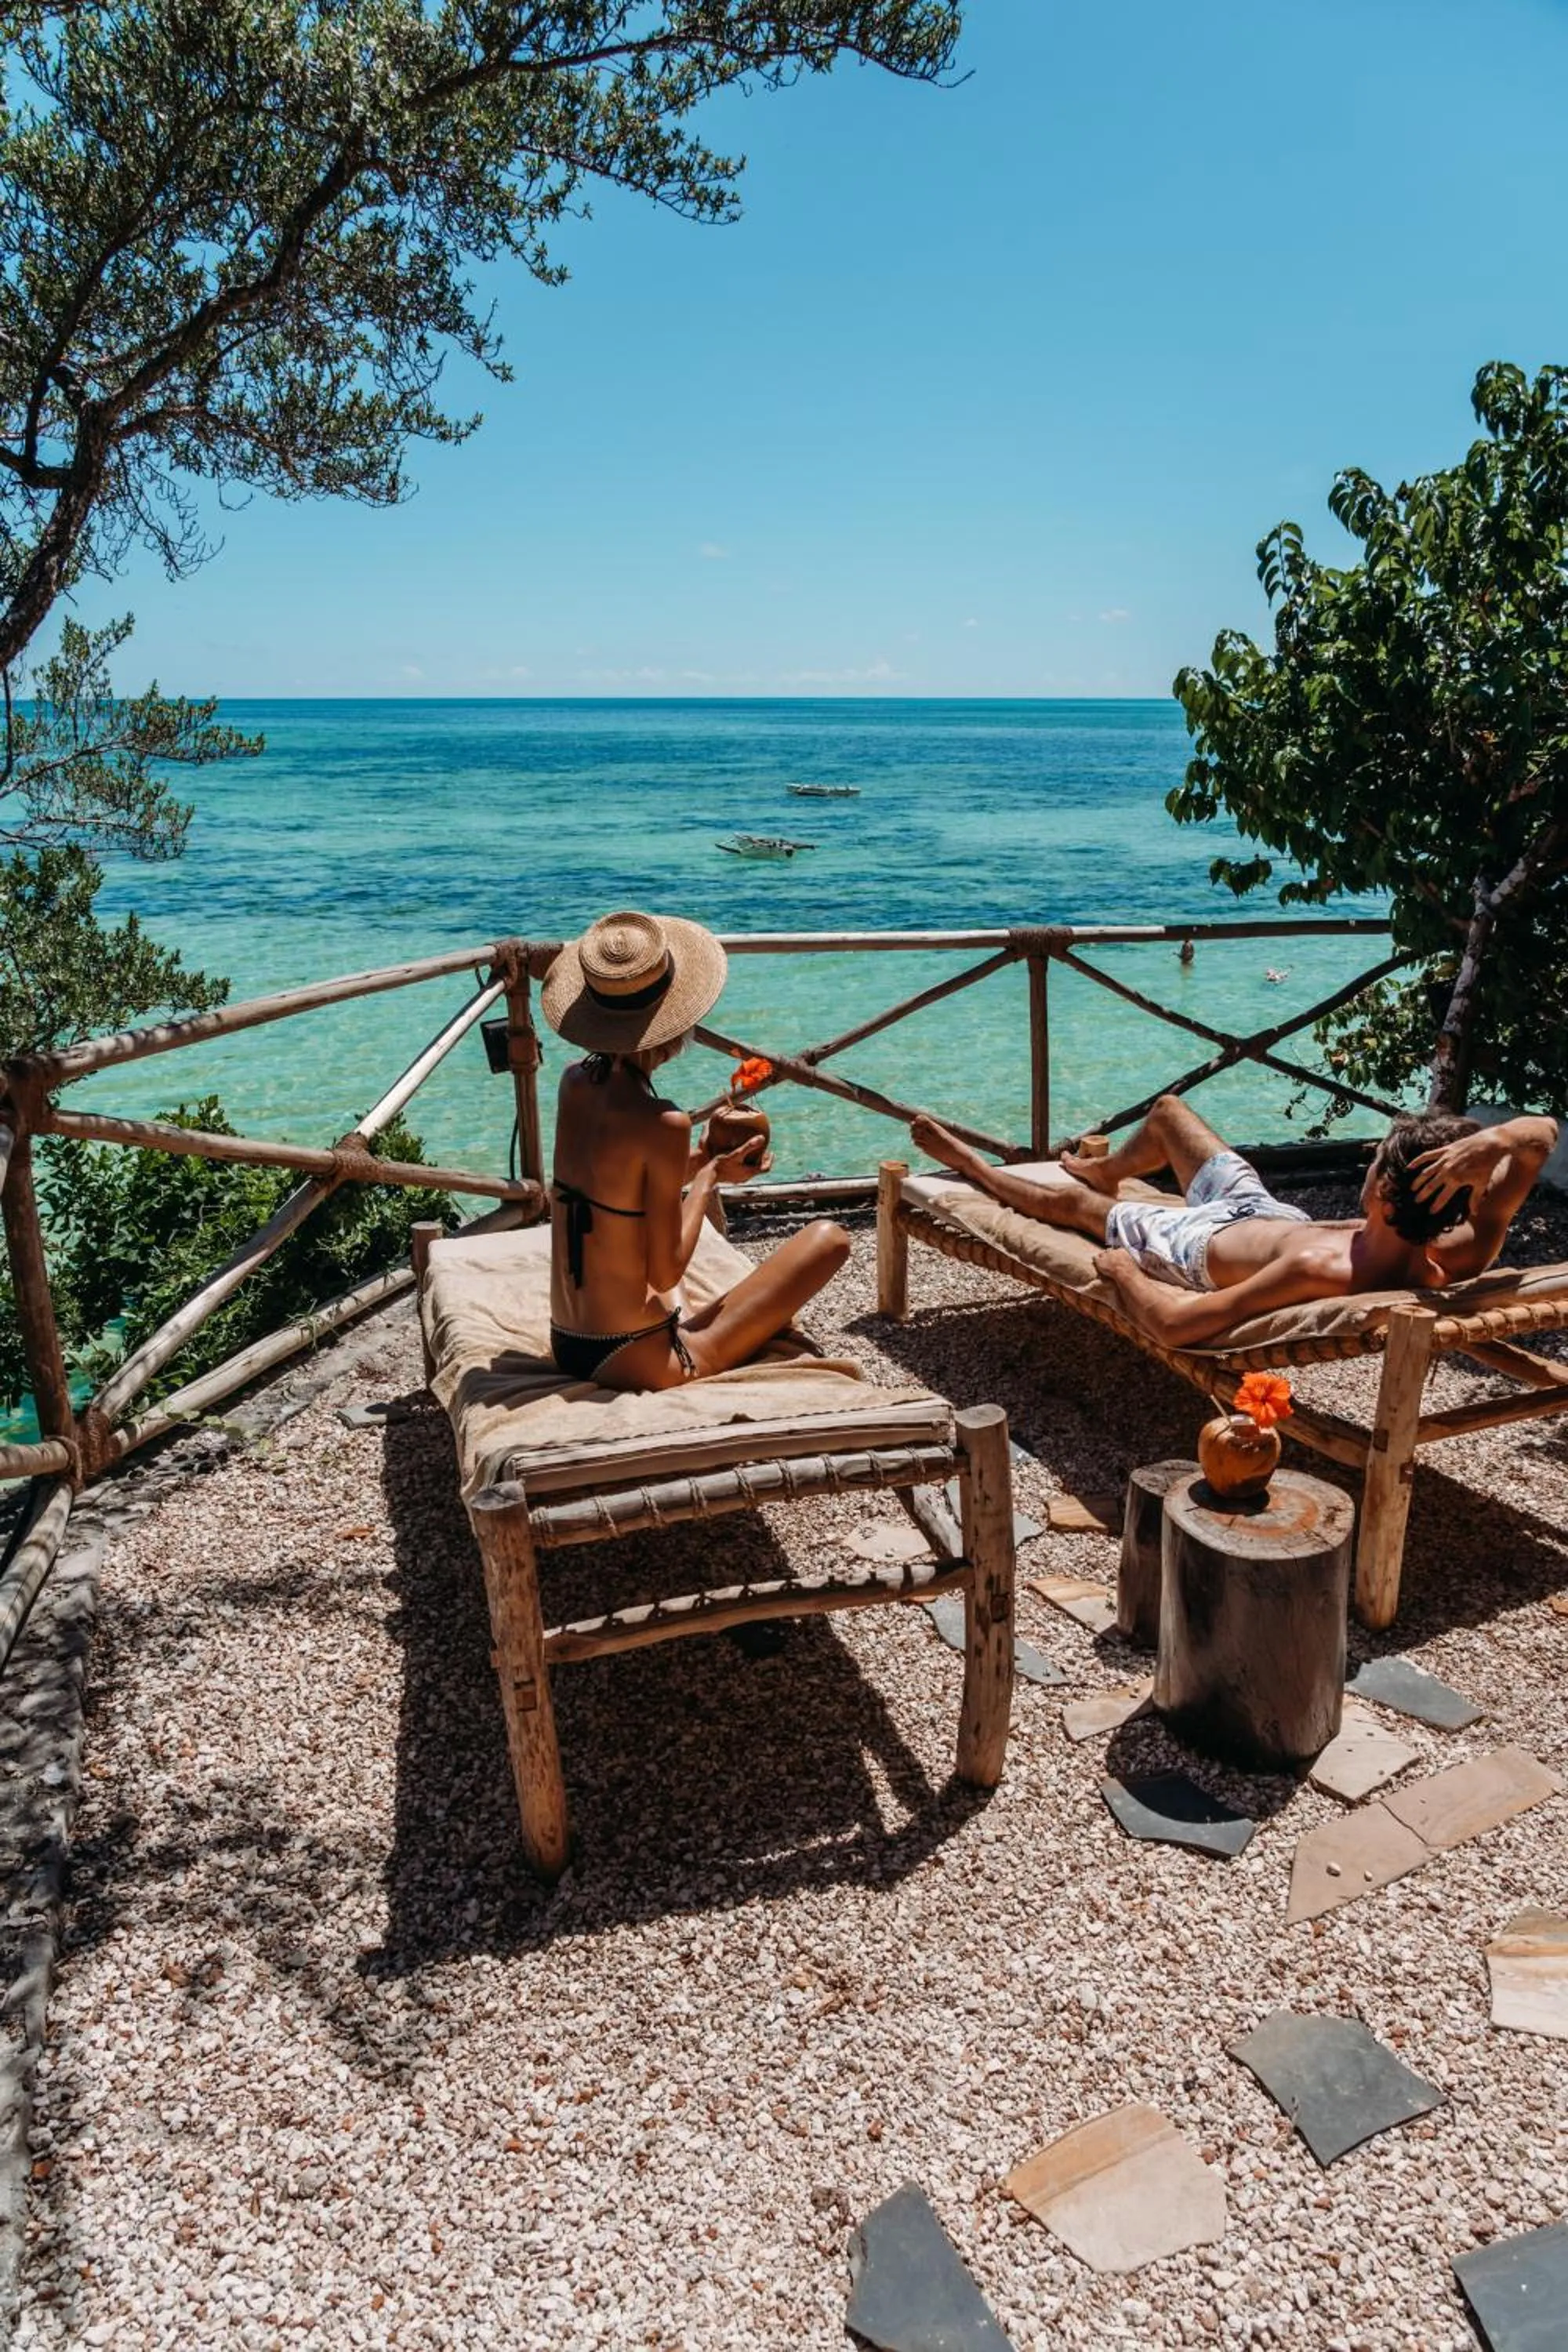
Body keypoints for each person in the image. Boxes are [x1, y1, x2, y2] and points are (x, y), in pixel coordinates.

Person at [907, 1094, 1559, 1348]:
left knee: (1076, 1209)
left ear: (1383, 1192)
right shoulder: (1460, 1248)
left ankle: (973, 1166)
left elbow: (1177, 1325)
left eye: (1372, 1164)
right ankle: (1107, 1169)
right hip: (1268, 1214)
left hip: (1197, 1246)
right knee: (1167, 1115)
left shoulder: (1316, 1269)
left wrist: (1120, 1271)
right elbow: (1542, 1136)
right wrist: (1496, 1144)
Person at [541, 909, 851, 1388]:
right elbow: (665, 1273)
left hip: (569, 1342)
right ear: (672, 1018)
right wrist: (707, 1180)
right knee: (830, 1239)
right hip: (634, 1357)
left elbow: (615, 1188)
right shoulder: (664, 1121)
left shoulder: (574, 1083)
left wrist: (703, 1158)